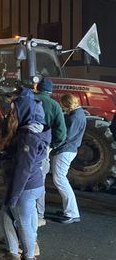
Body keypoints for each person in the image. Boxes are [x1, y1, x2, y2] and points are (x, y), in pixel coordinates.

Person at [0, 87, 50, 260]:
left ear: (23, 110)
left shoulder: (27, 136)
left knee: (13, 218)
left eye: (14, 110)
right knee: (26, 222)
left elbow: (23, 169)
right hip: (34, 184)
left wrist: (12, 196)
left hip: (25, 185)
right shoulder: (36, 128)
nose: (11, 113)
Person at [34, 78, 66, 226]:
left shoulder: (28, 100)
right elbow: (61, 131)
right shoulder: (55, 105)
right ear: (50, 91)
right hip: (43, 146)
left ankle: (20, 211)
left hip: (24, 144)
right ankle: (38, 215)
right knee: (39, 182)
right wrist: (53, 145)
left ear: (37, 88)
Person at [52, 93, 86, 224]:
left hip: (65, 151)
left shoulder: (75, 117)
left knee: (60, 179)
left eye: (63, 104)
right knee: (61, 179)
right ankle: (70, 210)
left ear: (67, 104)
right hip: (69, 151)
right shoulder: (79, 113)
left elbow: (65, 137)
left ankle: (71, 213)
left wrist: (52, 145)